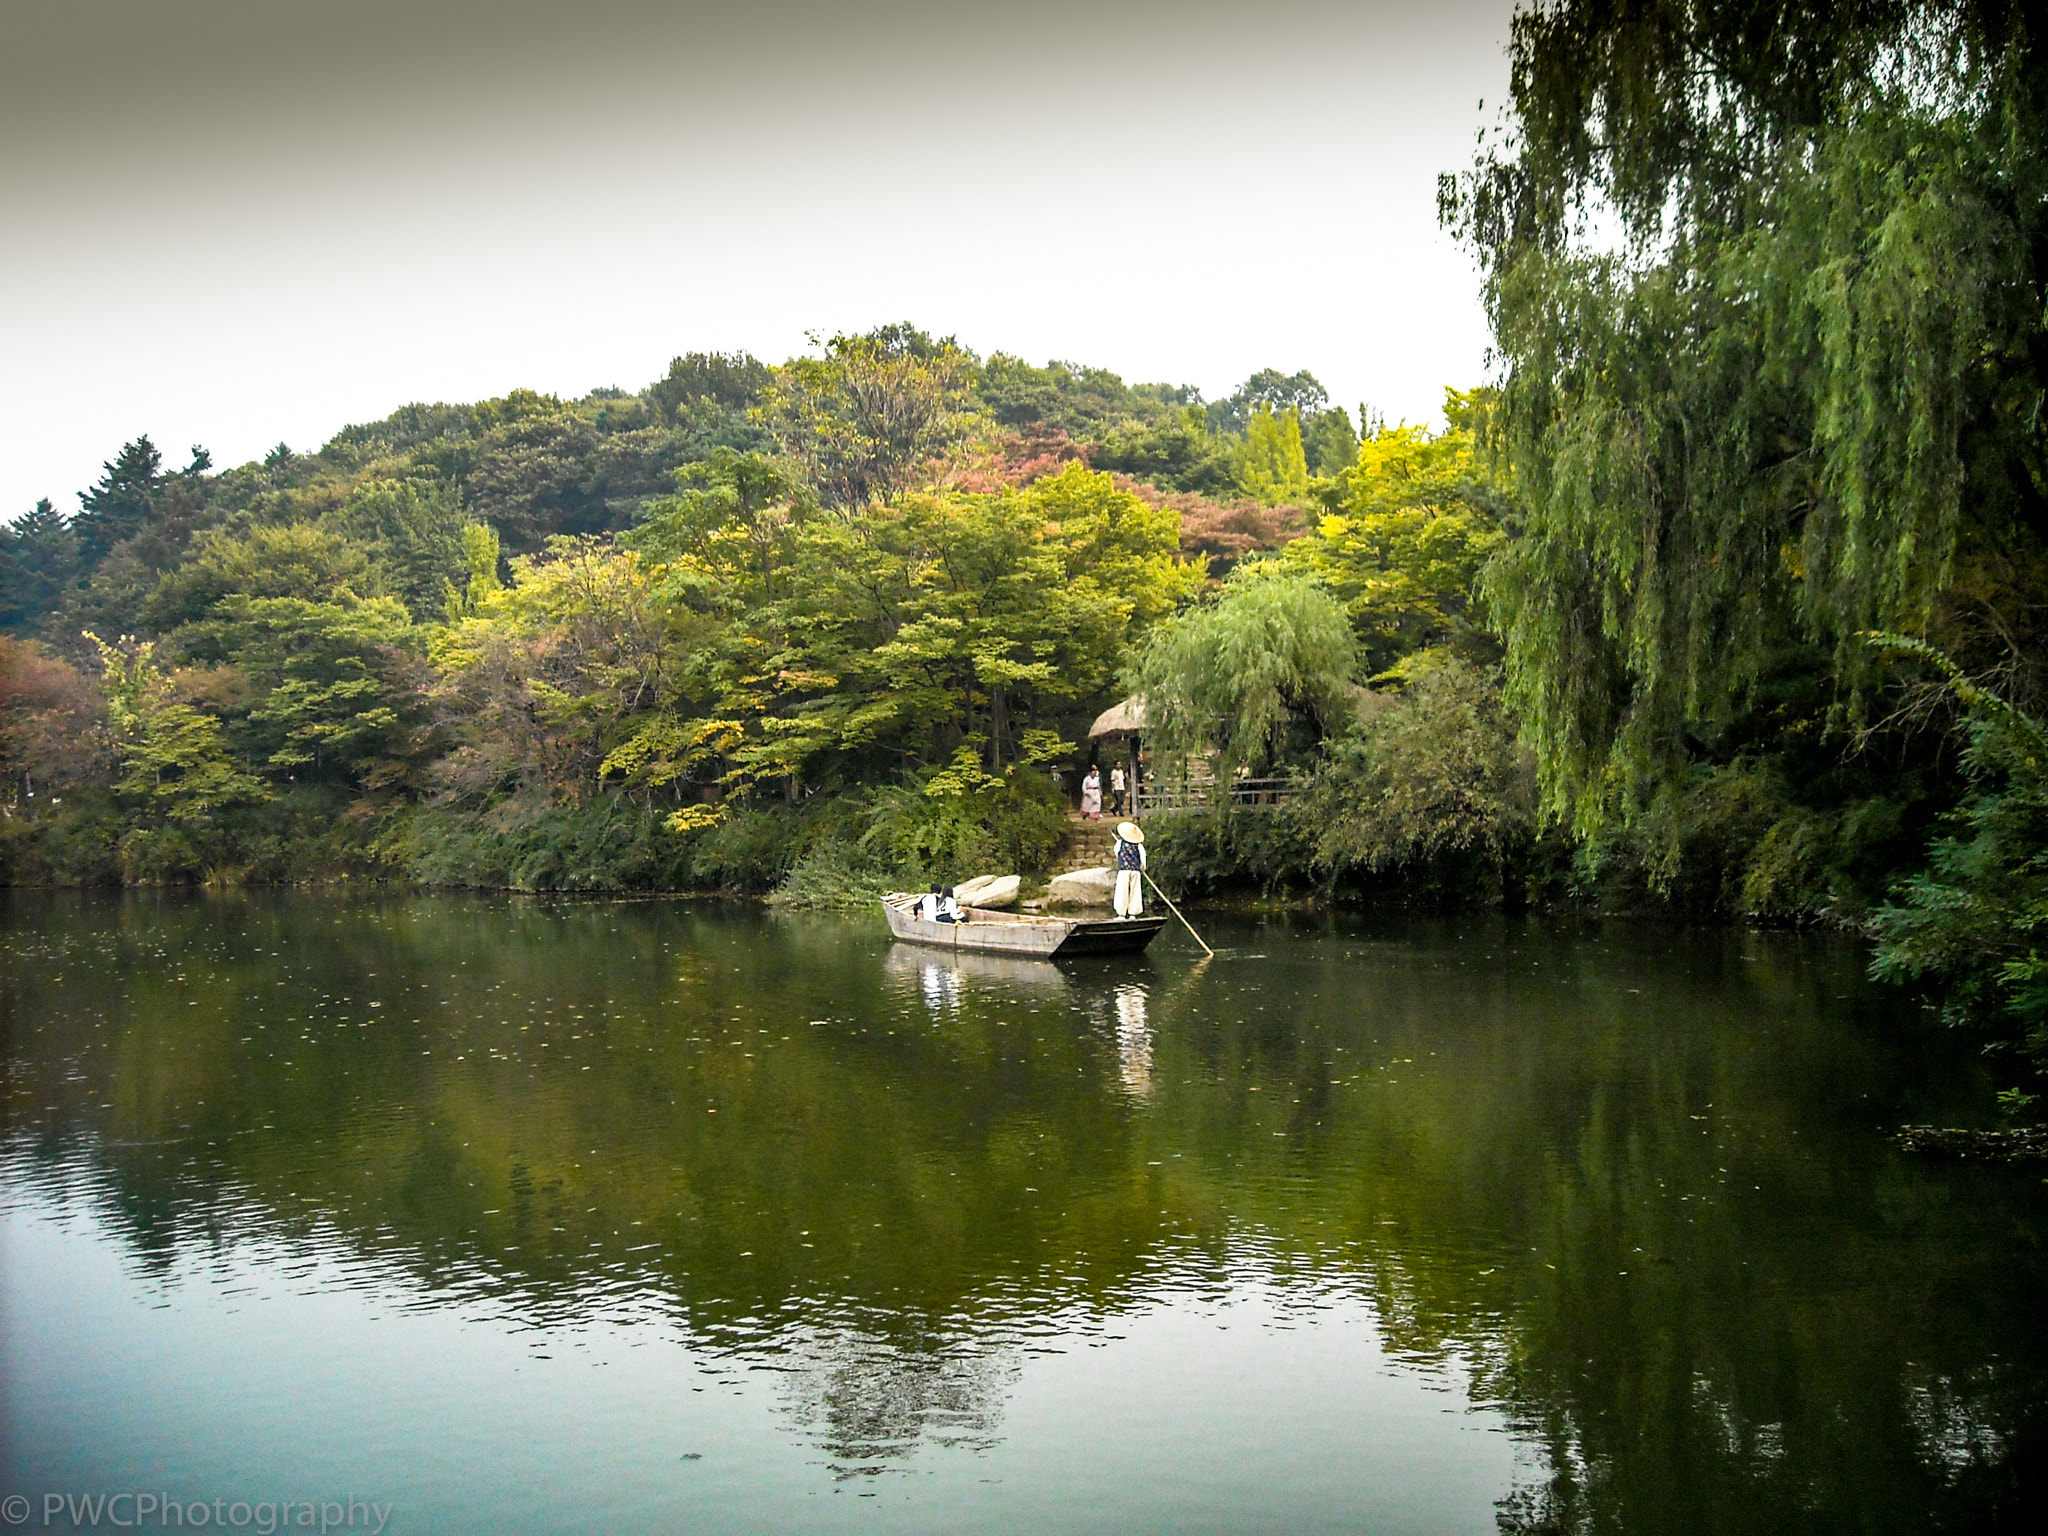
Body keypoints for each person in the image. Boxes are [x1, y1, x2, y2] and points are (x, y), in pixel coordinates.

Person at [1112, 821, 1146, 918]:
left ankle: (1121, 914)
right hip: (1135, 870)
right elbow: (1143, 858)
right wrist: (1142, 868)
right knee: (1135, 891)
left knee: (1122, 891)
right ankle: (1132, 914)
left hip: (1123, 870)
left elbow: (1117, 853)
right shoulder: (1139, 846)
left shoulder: (1120, 843)